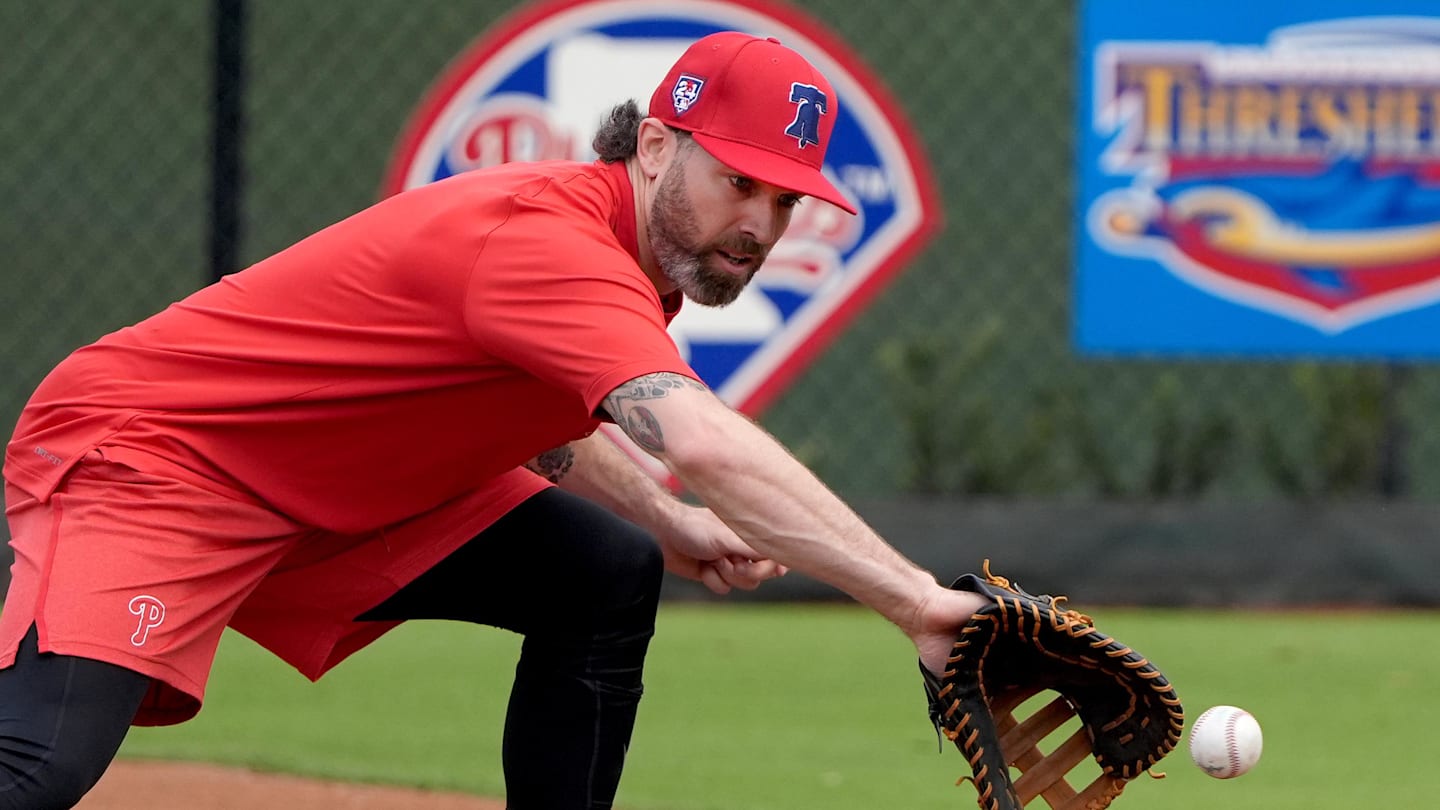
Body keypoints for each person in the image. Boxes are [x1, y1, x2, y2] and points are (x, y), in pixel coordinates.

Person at [0, 31, 987, 809]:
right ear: (654, 147)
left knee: (605, 572)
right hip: (159, 460)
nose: (760, 228)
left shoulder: (627, 259)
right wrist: (916, 601)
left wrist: (670, 521)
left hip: (328, 482)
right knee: (41, 764)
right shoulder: (553, 247)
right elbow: (699, 438)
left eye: (785, 201)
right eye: (739, 183)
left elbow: (543, 418)